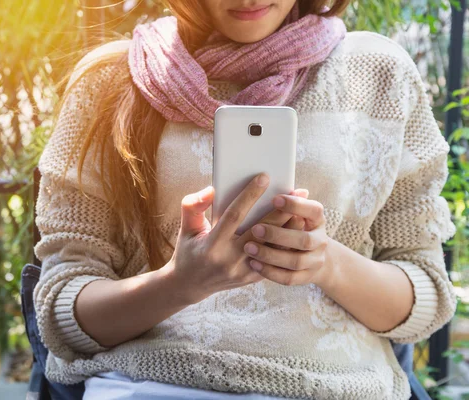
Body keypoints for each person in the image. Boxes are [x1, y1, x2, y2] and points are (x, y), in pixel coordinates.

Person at [32, 0, 458, 398]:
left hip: (336, 385)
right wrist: (178, 283)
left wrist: (327, 262)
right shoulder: (108, 82)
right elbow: (60, 313)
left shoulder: (379, 74)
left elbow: (425, 297)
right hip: (150, 384)